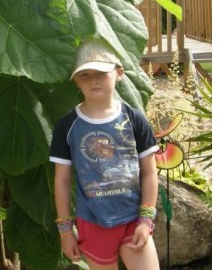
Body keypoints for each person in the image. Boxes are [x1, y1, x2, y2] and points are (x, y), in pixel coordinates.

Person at [49, 40, 160, 270]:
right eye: (85, 75)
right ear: (75, 81)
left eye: (100, 72)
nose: (93, 80)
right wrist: (65, 231)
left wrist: (146, 219)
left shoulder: (135, 120)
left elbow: (149, 172)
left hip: (133, 219)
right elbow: (61, 180)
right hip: (93, 224)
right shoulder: (67, 126)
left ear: (118, 73)